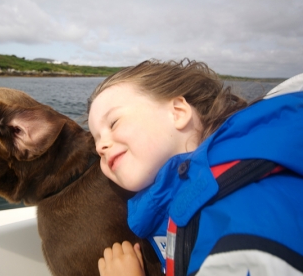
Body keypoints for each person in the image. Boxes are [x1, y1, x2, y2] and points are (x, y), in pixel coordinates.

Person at [87, 59, 303, 276]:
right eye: (96, 143)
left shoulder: (243, 204)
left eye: (113, 123)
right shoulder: (196, 192)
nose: (101, 147)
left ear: (178, 112)